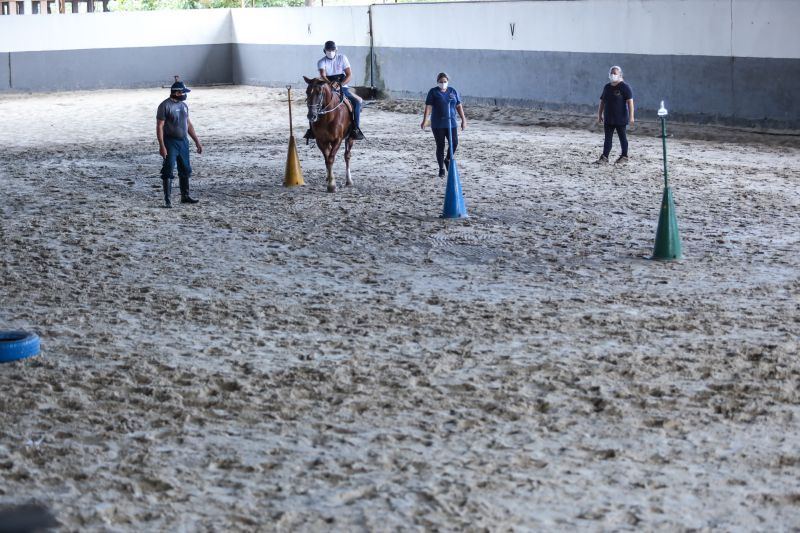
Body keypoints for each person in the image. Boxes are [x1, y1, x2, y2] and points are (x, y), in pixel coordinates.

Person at [156, 76, 203, 207]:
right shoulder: (164, 106)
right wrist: (162, 146)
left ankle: (185, 196)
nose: (184, 95)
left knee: (185, 169)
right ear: (176, 92)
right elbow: (159, 126)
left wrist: (197, 142)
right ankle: (167, 200)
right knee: (168, 169)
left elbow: (188, 125)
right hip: (170, 142)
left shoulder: (184, 106)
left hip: (183, 142)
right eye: (183, 92)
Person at [304, 40, 365, 141]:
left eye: (332, 50)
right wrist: (330, 84)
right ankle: (312, 130)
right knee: (314, 103)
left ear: (336, 50)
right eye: (328, 50)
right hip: (327, 87)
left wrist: (339, 85)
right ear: (324, 51)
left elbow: (349, 75)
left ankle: (355, 128)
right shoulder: (321, 61)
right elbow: (323, 75)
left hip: (342, 88)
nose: (330, 51)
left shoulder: (342, 58)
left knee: (357, 102)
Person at [421, 72, 467, 177]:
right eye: (441, 82)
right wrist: (425, 120)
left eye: (445, 82)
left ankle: (447, 159)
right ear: (437, 82)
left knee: (454, 143)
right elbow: (428, 107)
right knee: (440, 145)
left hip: (451, 123)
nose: (443, 84)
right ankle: (441, 168)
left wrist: (463, 120)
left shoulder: (453, 91)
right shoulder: (433, 92)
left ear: (448, 81)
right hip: (438, 124)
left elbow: (459, 106)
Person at [596, 65, 634, 164]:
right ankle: (604, 157)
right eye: (611, 73)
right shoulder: (607, 87)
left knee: (622, 137)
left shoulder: (625, 87)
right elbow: (602, 101)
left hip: (620, 118)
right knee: (608, 138)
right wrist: (600, 115)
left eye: (615, 73)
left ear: (620, 74)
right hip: (608, 118)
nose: (613, 75)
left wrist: (631, 116)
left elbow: (630, 102)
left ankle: (624, 156)